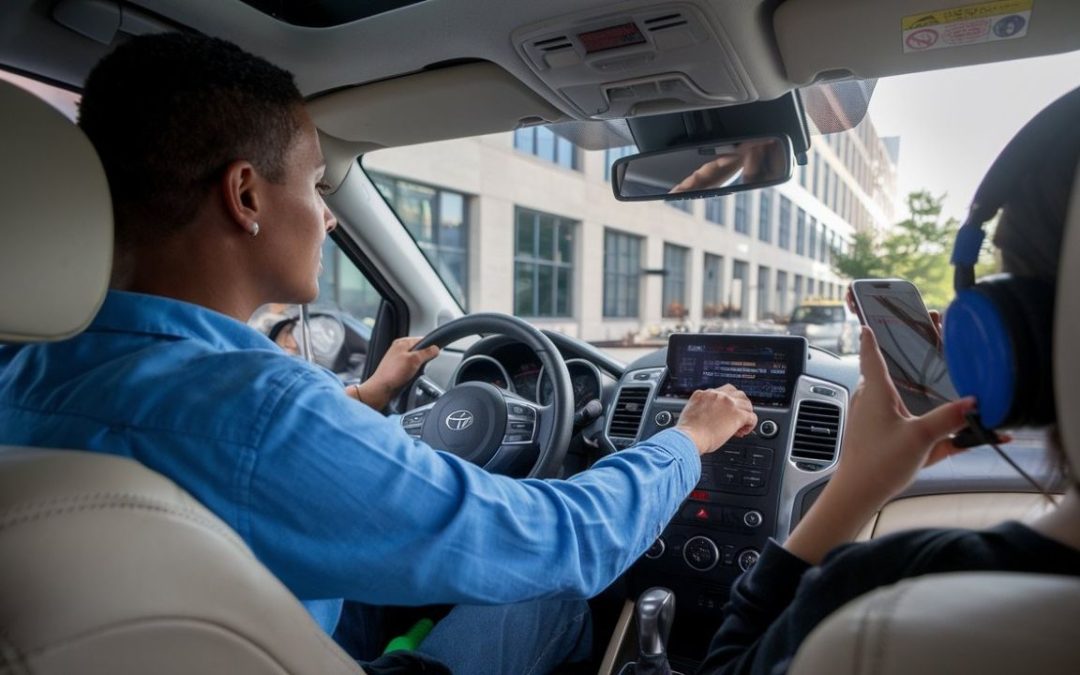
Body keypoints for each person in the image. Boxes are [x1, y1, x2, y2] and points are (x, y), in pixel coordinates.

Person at [0, 33, 759, 674]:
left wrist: (368, 397)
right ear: (246, 196)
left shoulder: (23, 375)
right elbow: (560, 540)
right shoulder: (259, 411)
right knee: (548, 593)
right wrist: (687, 439)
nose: (329, 215)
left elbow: (265, 460)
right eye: (316, 182)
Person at [694, 88, 1080, 674]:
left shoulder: (888, 592)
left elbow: (727, 664)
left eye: (1007, 282)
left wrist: (854, 484)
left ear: (1029, 344)